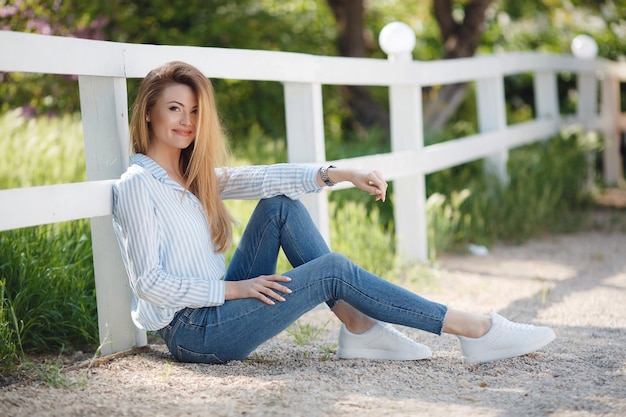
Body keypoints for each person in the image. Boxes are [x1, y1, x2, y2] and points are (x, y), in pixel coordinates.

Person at [112, 61, 556, 365]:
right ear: (148, 112)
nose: (186, 121)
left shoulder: (194, 178)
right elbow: (149, 284)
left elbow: (267, 179)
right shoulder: (137, 186)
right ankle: (474, 329)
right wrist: (237, 288)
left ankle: (360, 327)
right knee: (333, 270)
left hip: (217, 305)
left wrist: (339, 172)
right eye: (174, 109)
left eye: (194, 112)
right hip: (194, 331)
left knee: (280, 206)